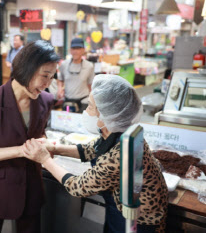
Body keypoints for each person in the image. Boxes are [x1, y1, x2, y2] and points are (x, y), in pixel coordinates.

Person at [22, 74, 169, 233]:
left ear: (108, 115)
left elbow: (78, 186)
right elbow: (92, 149)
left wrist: (44, 159)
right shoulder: (119, 132)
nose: (86, 111)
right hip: (121, 211)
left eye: (90, 107)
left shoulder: (122, 152)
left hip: (138, 222)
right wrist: (54, 148)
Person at [0, 40, 59, 233]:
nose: (47, 84)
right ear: (27, 68)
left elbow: (39, 132)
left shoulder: (46, 100)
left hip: (30, 186)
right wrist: (21, 150)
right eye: (45, 76)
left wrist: (43, 141)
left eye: (52, 77)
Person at [57, 38, 95, 112]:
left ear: (83, 50)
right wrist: (60, 89)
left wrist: (93, 103)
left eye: (78, 48)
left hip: (84, 102)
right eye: (73, 48)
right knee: (68, 121)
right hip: (68, 102)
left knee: (82, 122)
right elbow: (60, 79)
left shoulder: (89, 66)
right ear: (70, 50)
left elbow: (91, 85)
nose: (75, 51)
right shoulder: (64, 65)